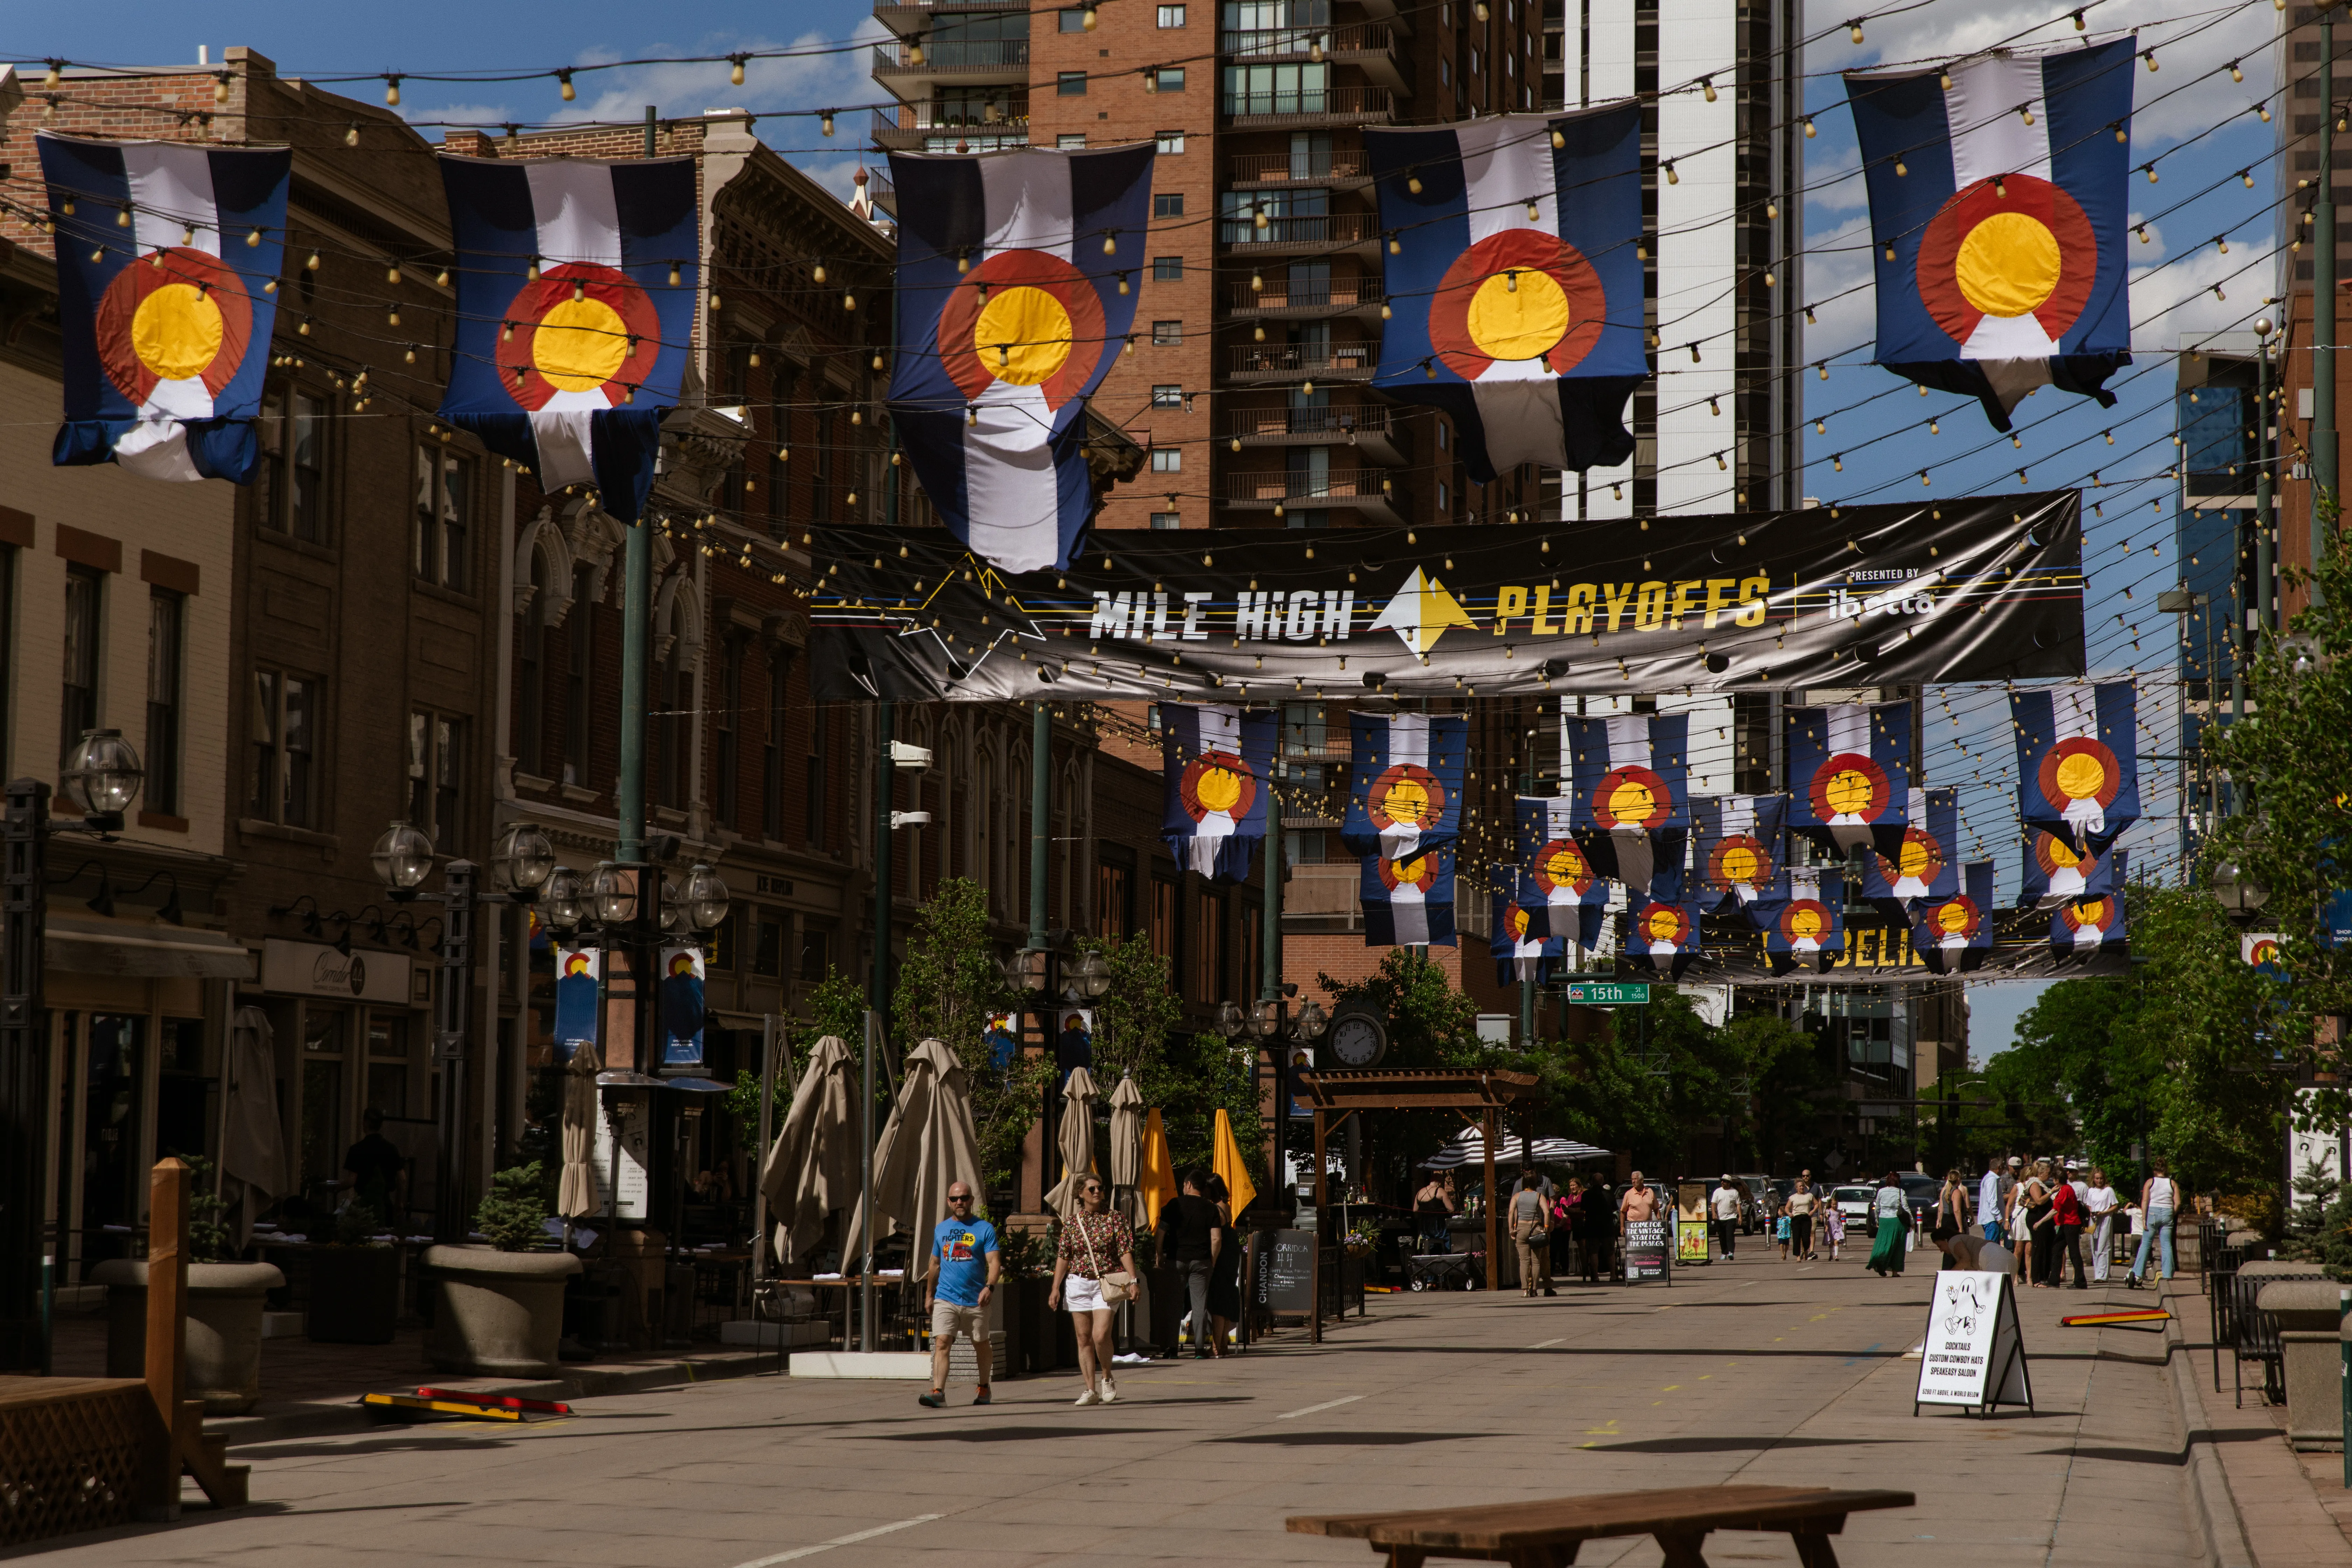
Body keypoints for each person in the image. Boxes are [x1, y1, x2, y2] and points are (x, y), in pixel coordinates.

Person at [1050, 1176, 1137, 1405]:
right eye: (1092, 1188)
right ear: (1081, 1193)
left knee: (1100, 1335)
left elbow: (1125, 1251)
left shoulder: (1115, 1218)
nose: (1098, 1191)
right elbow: (1064, 1256)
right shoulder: (1072, 1222)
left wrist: (1134, 1280)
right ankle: (1090, 1390)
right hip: (1078, 1283)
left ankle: (1107, 1376)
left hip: (1106, 1284)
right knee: (1083, 1338)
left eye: (1100, 1188)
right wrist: (1055, 1288)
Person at [917, 1183, 999, 1408]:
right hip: (946, 1297)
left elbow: (994, 1263)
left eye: (964, 1198)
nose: (959, 1202)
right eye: (954, 1199)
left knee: (981, 1343)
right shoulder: (941, 1229)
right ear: (948, 1202)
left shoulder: (984, 1229)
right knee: (942, 1342)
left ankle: (984, 1387)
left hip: (977, 1299)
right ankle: (938, 1392)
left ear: (972, 1200)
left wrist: (989, 1287)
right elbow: (934, 1264)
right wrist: (929, 1295)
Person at [1156, 1170, 1223, 1359]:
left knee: (1174, 1304)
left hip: (1176, 1259)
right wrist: (1212, 1261)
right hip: (1201, 1261)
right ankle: (1200, 1349)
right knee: (1200, 1305)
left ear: (1188, 1185)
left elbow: (1161, 1232)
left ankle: (1172, 1348)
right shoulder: (1211, 1208)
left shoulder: (1174, 1204)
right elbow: (1216, 1239)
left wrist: (1159, 1254)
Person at [1202, 1171, 1243, 1356]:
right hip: (1232, 1255)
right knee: (1225, 1299)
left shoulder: (1215, 1210)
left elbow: (1216, 1240)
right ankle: (1223, 1344)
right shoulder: (1225, 1206)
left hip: (1222, 1257)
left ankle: (1216, 1346)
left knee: (1217, 1302)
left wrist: (1212, 1261)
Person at [338, 1109, 406, 1221]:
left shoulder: (357, 1150)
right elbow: (402, 1179)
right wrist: (399, 1202)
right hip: (385, 1204)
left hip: (364, 1205)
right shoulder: (391, 1149)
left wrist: (336, 1188)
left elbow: (351, 1180)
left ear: (365, 1123)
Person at [2128, 1158, 2180, 1288]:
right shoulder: (2172, 1183)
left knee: (2145, 1244)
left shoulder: (2150, 1183)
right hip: (2167, 1211)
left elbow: (2145, 1201)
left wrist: (2144, 1219)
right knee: (2167, 1245)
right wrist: (2171, 1214)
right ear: (2166, 1170)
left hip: (2152, 1213)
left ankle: (2138, 1272)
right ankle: (2168, 1273)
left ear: (2155, 1171)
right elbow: (2178, 1202)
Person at [1511, 1172, 1553, 1296]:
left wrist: (1512, 1229)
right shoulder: (1540, 1196)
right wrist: (1545, 1228)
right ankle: (1534, 1290)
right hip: (1536, 1228)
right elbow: (1547, 1212)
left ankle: (1525, 1290)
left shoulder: (1517, 1196)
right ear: (1535, 1184)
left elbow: (1511, 1212)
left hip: (1521, 1228)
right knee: (1536, 1262)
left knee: (1524, 1261)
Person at [2021, 1159, 2057, 1287]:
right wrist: (2051, 1192)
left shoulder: (2042, 1184)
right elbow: (2039, 1201)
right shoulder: (2035, 1184)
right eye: (2048, 1173)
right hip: (2037, 1219)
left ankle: (2044, 1276)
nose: (2049, 1176)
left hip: (2046, 1221)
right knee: (2039, 1248)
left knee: (2047, 1247)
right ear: (2041, 1173)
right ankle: (2037, 1279)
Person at [2049, 1167, 2087, 1288]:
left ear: (2056, 1180)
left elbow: (2056, 1209)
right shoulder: (2065, 1189)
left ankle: (2080, 1281)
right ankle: (2054, 1280)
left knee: (2074, 1252)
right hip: (2065, 1224)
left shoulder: (2065, 1190)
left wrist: (2040, 1222)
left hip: (2071, 1224)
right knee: (2057, 1249)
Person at [1867, 1168, 1909, 1276]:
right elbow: (1906, 1208)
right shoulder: (1900, 1192)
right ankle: (1895, 1271)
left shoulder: (1881, 1191)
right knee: (1898, 1246)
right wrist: (1912, 1221)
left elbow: (1877, 1208)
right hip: (1896, 1220)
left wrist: (1878, 1220)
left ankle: (1879, 1262)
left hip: (1884, 1220)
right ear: (1897, 1181)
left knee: (1883, 1244)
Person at [2083, 1167, 2120, 1283]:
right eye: (2097, 1179)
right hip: (2094, 1220)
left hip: (2105, 1219)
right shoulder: (2091, 1191)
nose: (2099, 1181)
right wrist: (2092, 1212)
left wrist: (2104, 1212)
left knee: (2104, 1246)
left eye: (2101, 1179)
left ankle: (2103, 1275)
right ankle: (2098, 1273)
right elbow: (2088, 1205)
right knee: (2095, 1248)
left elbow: (2115, 1206)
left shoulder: (2109, 1191)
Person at [1414, 1168, 1456, 1255]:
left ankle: (1429, 1253)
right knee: (1449, 1234)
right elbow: (1451, 1209)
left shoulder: (1420, 1192)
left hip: (1425, 1230)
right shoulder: (1440, 1191)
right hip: (1439, 1229)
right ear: (1440, 1183)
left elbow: (1415, 1210)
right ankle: (1447, 1255)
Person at [1709, 1174, 1743, 1262]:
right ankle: (1724, 1253)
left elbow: (1738, 1205)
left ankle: (1731, 1252)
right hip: (1720, 1218)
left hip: (1731, 1217)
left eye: (1724, 1181)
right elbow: (1714, 1203)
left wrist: (1740, 1216)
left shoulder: (1734, 1192)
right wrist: (1714, 1213)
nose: (1722, 1183)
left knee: (1730, 1235)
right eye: (1722, 1181)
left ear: (1729, 1183)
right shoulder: (1717, 1192)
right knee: (1722, 1236)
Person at [1933, 1169, 1968, 1250]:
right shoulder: (1956, 1192)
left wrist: (1939, 1221)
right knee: (1955, 1247)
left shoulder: (1944, 1190)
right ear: (1958, 1179)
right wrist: (1961, 1227)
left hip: (1945, 1219)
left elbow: (1941, 1208)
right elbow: (1957, 1211)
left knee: (1947, 1246)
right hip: (1953, 1221)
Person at [1977, 1157, 2007, 1245]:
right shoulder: (1992, 1179)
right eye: (2003, 1167)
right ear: (1999, 1168)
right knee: (1991, 1247)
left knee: (1993, 1246)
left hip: (1991, 1219)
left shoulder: (1989, 1178)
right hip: (1992, 1220)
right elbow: (1992, 1201)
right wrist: (1999, 1217)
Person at [1821, 1191, 1846, 1262]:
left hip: (1837, 1228)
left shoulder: (1839, 1212)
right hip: (1830, 1228)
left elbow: (1841, 1220)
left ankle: (1836, 1256)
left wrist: (1842, 1227)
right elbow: (1827, 1219)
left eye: (1836, 1204)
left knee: (1836, 1241)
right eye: (1833, 1204)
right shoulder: (1828, 1211)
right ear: (1831, 1205)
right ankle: (1831, 1255)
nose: (1835, 1206)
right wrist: (1826, 1226)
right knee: (1831, 1243)